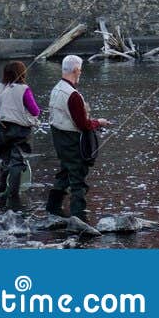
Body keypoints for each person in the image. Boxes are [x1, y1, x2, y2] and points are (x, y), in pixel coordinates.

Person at [45, 54, 111, 222]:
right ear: (75, 70)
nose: (81, 72)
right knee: (78, 179)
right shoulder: (73, 95)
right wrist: (99, 122)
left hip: (59, 139)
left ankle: (52, 209)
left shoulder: (56, 89)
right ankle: (79, 217)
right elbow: (83, 125)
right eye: (80, 70)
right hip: (72, 141)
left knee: (65, 173)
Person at [0, 60, 41, 213]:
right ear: (22, 73)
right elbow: (35, 110)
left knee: (6, 159)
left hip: (3, 128)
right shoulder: (24, 89)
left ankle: (2, 191)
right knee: (17, 162)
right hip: (20, 129)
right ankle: (14, 196)